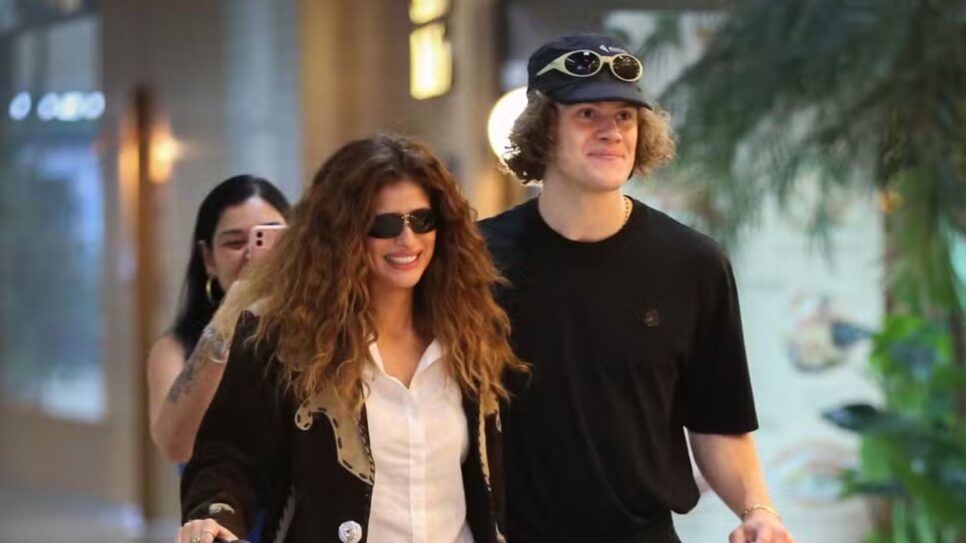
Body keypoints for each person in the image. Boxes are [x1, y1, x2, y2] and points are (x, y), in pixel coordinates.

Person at [479, 34, 796, 543]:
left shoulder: (693, 264)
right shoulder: (476, 260)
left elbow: (718, 422)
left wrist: (758, 511)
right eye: (587, 114)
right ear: (542, 128)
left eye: (625, 116)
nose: (611, 131)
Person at [176, 133, 525, 543]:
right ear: (343, 234)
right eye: (385, 224)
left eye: (422, 220)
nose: (407, 239)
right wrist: (214, 516)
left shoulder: (471, 331)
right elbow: (229, 458)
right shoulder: (283, 340)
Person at [147, 175, 291, 463]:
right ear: (209, 259)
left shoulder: (320, 334)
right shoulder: (174, 349)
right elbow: (175, 446)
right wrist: (228, 319)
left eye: (268, 239)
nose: (251, 255)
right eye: (235, 242)